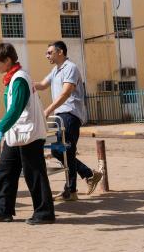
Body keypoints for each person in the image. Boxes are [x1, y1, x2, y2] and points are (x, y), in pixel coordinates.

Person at [0, 43, 55, 225]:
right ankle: (3, 210)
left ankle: (44, 213)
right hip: (17, 134)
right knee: (4, 171)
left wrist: (1, 128)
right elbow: (12, 108)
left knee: (34, 173)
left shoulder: (20, 79)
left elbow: (16, 107)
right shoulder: (12, 78)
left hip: (28, 134)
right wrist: (5, 124)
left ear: (8, 60)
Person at [34, 41, 103, 201]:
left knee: (65, 151)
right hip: (60, 116)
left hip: (69, 115)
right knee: (58, 151)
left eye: (49, 52)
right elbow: (43, 85)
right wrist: (24, 82)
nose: (47, 55)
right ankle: (83, 180)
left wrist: (48, 110)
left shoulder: (70, 68)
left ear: (60, 52)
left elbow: (65, 94)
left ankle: (73, 189)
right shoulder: (55, 70)